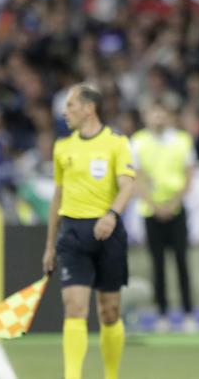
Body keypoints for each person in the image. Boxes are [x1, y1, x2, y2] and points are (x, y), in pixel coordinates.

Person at [42, 84, 135, 379]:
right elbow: (57, 196)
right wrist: (49, 244)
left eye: (70, 105)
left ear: (89, 108)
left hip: (108, 232)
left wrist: (111, 215)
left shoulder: (116, 143)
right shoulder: (62, 147)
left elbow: (128, 185)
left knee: (109, 312)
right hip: (72, 233)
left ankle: (111, 375)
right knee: (74, 308)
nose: (64, 111)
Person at [131, 101, 197, 333]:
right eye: (153, 112)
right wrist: (154, 205)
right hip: (151, 211)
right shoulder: (137, 141)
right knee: (157, 265)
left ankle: (188, 314)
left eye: (161, 112)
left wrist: (172, 203)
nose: (157, 117)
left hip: (176, 210)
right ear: (146, 116)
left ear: (168, 115)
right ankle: (162, 315)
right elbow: (136, 177)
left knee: (181, 263)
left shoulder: (182, 140)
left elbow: (189, 175)